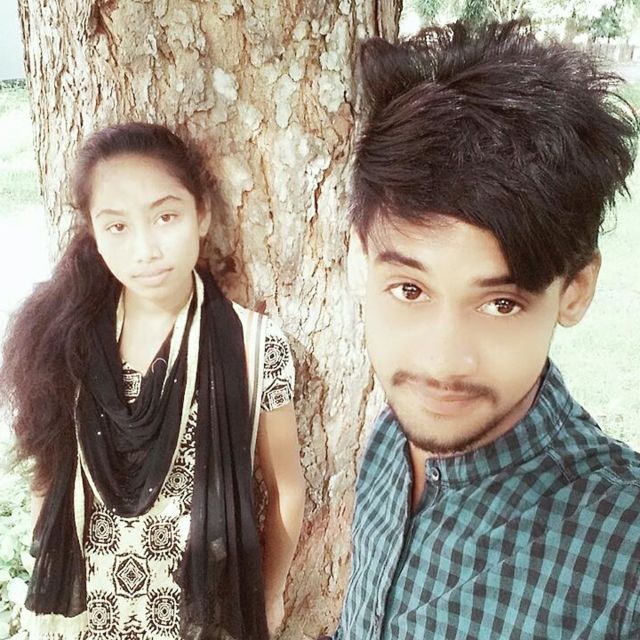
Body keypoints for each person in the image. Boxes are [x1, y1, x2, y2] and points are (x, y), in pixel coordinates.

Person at [330, 20, 640, 640]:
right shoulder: (392, 435)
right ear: (363, 260)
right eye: (410, 290)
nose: (441, 363)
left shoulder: (624, 559)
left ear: (575, 291)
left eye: (500, 303)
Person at [1, 122, 305, 639]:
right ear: (94, 234)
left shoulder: (253, 345)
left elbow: (286, 490)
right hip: (91, 616)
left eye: (165, 217)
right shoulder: (70, 342)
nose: (145, 250)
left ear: (202, 214)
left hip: (200, 616)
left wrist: (269, 594)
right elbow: (48, 478)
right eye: (117, 226)